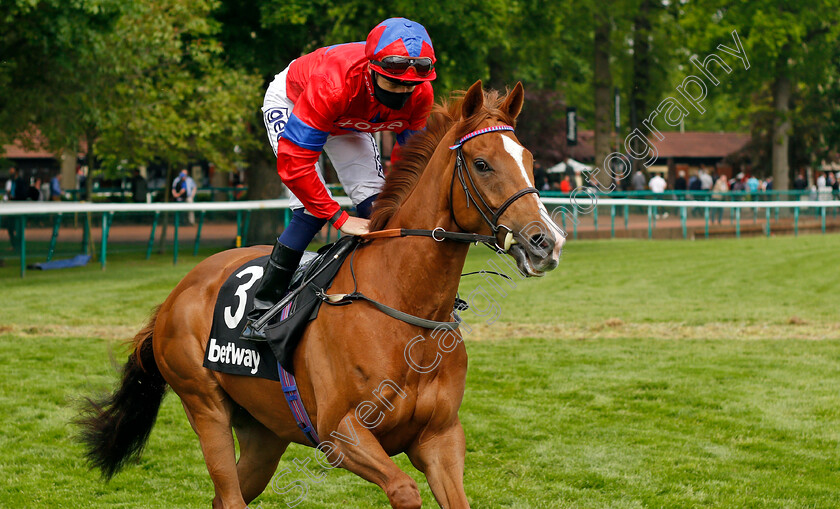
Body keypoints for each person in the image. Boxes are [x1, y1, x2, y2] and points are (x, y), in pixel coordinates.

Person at [241, 17, 436, 340]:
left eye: (411, 85)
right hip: (296, 102)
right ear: (373, 69)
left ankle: (396, 293)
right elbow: (295, 165)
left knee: (379, 208)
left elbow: (414, 161)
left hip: (349, 118)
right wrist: (339, 217)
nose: (404, 92)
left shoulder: (420, 93)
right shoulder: (332, 84)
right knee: (311, 210)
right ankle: (263, 309)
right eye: (395, 82)